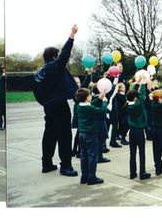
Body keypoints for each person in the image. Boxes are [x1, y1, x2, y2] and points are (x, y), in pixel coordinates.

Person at [33, 24, 79, 176]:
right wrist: (72, 35)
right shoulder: (54, 67)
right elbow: (65, 53)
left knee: (50, 134)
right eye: (57, 56)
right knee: (64, 135)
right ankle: (66, 166)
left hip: (48, 106)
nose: (60, 58)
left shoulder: (40, 72)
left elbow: (37, 91)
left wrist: (45, 102)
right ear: (54, 57)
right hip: (59, 105)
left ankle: (46, 164)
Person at [75, 87, 107, 185]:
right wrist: (104, 102)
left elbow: (91, 104)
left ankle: (84, 176)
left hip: (82, 133)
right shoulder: (89, 108)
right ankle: (92, 177)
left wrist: (99, 99)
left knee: (83, 155)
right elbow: (102, 112)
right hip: (90, 133)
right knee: (92, 155)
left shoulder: (79, 106)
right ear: (87, 97)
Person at [124, 79, 150, 180]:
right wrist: (143, 83)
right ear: (135, 98)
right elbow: (142, 95)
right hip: (139, 131)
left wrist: (136, 85)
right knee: (141, 152)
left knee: (132, 153)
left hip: (132, 131)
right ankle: (142, 172)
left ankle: (132, 172)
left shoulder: (127, 105)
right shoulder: (138, 104)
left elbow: (130, 94)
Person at [0, 65, 6, 130]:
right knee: (1, 111)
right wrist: (4, 96)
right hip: (2, 97)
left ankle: (6, 124)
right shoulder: (2, 78)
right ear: (3, 69)